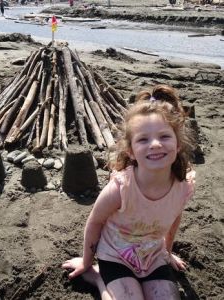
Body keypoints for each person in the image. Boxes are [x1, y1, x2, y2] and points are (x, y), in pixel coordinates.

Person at [62, 84, 196, 300]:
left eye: (164, 136)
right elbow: (95, 221)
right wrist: (87, 262)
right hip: (115, 256)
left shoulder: (183, 186)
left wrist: (167, 253)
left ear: (178, 144)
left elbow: (174, 217)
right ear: (131, 151)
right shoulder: (121, 187)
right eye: (143, 139)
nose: (154, 144)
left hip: (152, 256)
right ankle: (98, 278)